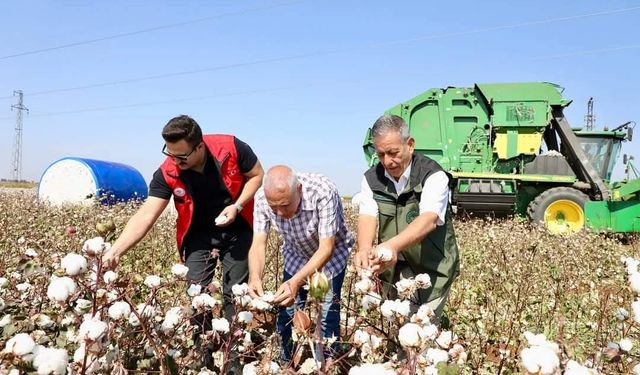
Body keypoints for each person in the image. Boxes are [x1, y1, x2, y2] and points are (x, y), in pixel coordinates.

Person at [102, 115, 264, 321]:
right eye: (170, 154)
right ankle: (203, 349)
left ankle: (233, 349)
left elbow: (257, 174)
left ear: (199, 147)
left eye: (181, 156)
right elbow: (146, 214)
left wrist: (237, 206)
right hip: (199, 235)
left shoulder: (231, 147)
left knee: (235, 295)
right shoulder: (167, 172)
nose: (175, 161)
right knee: (197, 296)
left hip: (239, 228)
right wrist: (115, 251)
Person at [354, 114, 459, 319]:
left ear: (410, 144)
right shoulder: (371, 179)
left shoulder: (432, 175)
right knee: (396, 323)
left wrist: (391, 246)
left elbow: (428, 220)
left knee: (423, 326)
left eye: (393, 153)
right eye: (381, 154)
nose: (387, 161)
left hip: (432, 267)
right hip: (393, 268)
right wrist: (365, 249)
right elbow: (367, 214)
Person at [247, 165, 354, 361]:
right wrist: (255, 276)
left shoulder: (323, 191)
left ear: (299, 190)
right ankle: (284, 363)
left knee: (327, 313)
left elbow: (326, 248)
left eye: (285, 205)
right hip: (296, 255)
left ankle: (327, 364)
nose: (279, 213)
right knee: (287, 312)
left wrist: (296, 282)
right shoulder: (262, 198)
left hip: (330, 257)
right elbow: (258, 244)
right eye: (274, 207)